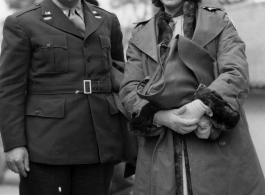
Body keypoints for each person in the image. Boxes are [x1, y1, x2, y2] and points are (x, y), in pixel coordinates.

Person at [119, 0, 265, 195]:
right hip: (161, 152)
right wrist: (160, 117)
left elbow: (235, 72)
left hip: (215, 148)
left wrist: (201, 107)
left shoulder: (218, 19)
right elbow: (129, 88)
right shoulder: (140, 34)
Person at [0, 0, 125, 194]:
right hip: (46, 145)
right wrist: (14, 144)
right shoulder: (22, 22)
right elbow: (10, 88)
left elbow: (119, 75)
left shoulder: (107, 20)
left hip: (99, 142)